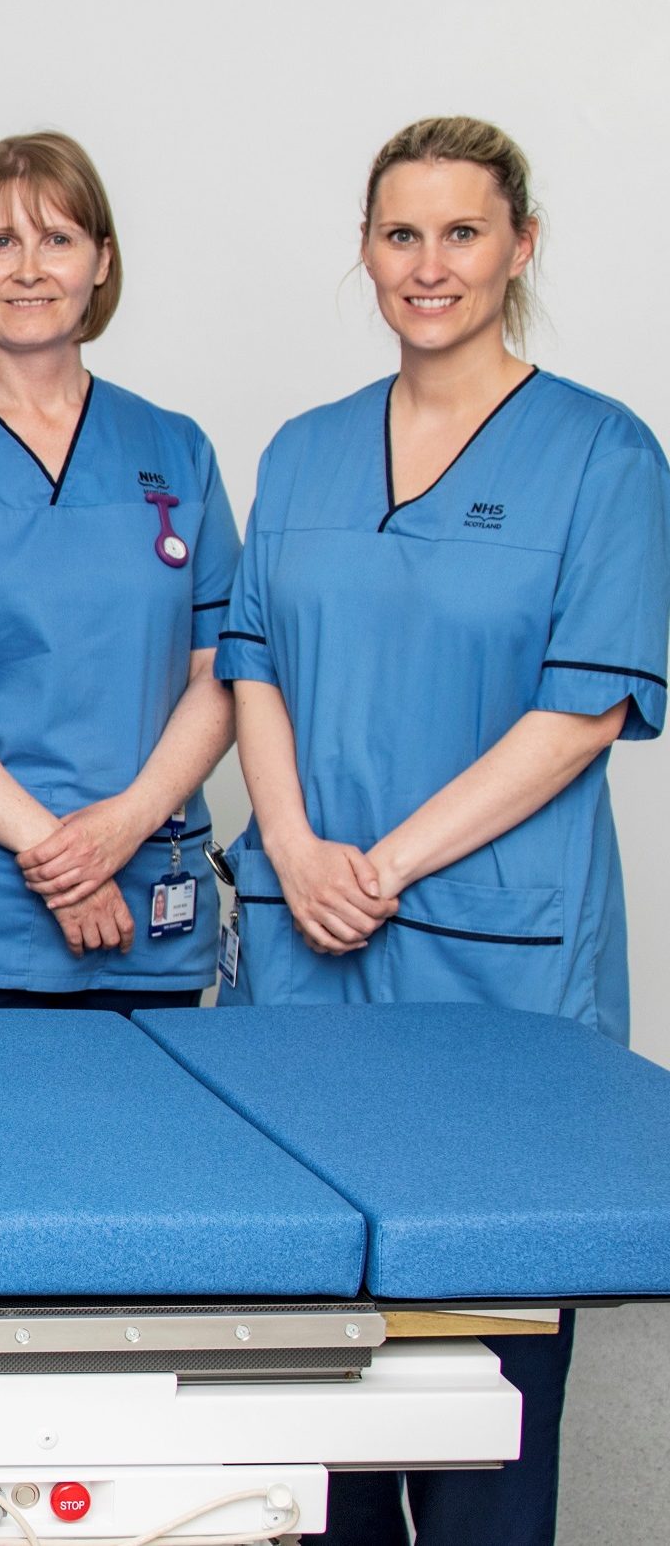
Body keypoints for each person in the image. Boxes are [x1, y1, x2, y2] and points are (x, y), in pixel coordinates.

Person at [219, 116, 669, 1546]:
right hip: (310, 948)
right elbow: (253, 663)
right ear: (366, 249)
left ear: (519, 245)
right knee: (318, 1381)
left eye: (463, 232)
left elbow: (582, 710)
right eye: (401, 233)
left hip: (502, 969)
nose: (430, 264)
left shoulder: (603, 454)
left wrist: (389, 864)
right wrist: (290, 843)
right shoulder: (302, 451)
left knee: (492, 1396)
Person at [0, 133, 237, 1011]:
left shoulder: (176, 448)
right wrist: (59, 854)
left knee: (142, 1150)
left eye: (58, 239)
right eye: (0, 241)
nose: (29, 268)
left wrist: (124, 826)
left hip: (144, 906)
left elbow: (223, 672)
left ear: (102, 261)